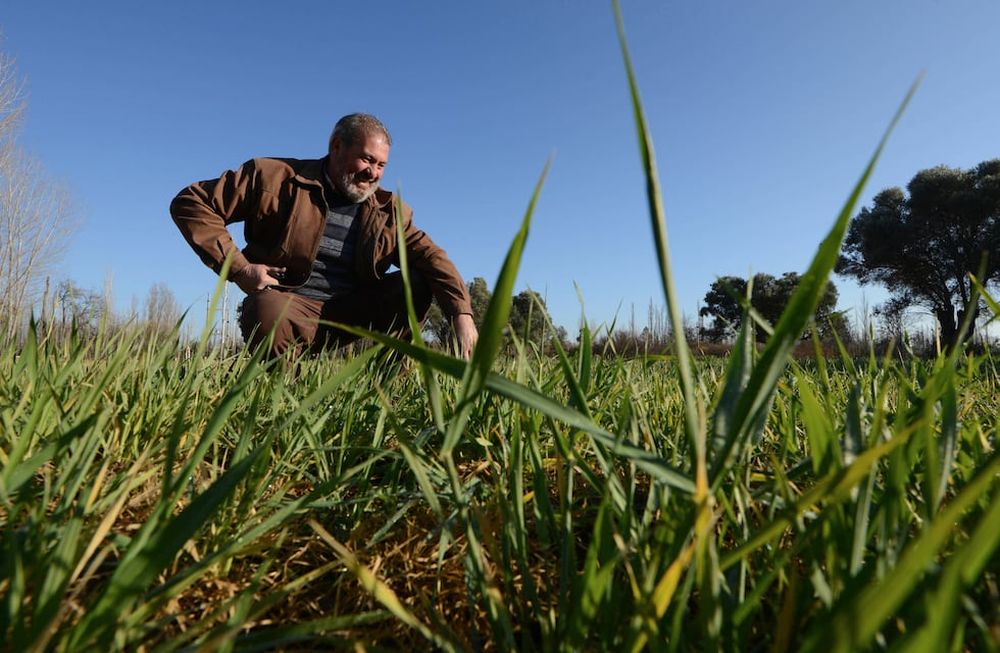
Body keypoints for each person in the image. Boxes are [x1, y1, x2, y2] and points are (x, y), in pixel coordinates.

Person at [170, 113, 478, 359]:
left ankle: (383, 395)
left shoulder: (389, 212)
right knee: (267, 310)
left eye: (381, 164)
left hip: (352, 310)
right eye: (367, 159)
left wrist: (461, 314)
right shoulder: (273, 177)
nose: (373, 172)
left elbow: (432, 257)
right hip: (290, 308)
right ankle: (282, 394)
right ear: (336, 146)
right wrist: (239, 268)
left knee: (419, 282)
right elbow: (192, 203)